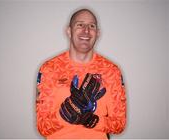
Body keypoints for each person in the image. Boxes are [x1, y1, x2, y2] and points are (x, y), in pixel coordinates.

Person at [36, 8, 127, 139]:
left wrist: (92, 120)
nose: (86, 30)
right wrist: (65, 114)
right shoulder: (49, 69)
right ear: (69, 31)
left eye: (92, 26)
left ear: (98, 33)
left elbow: (119, 124)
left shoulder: (111, 71)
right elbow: (42, 126)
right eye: (80, 25)